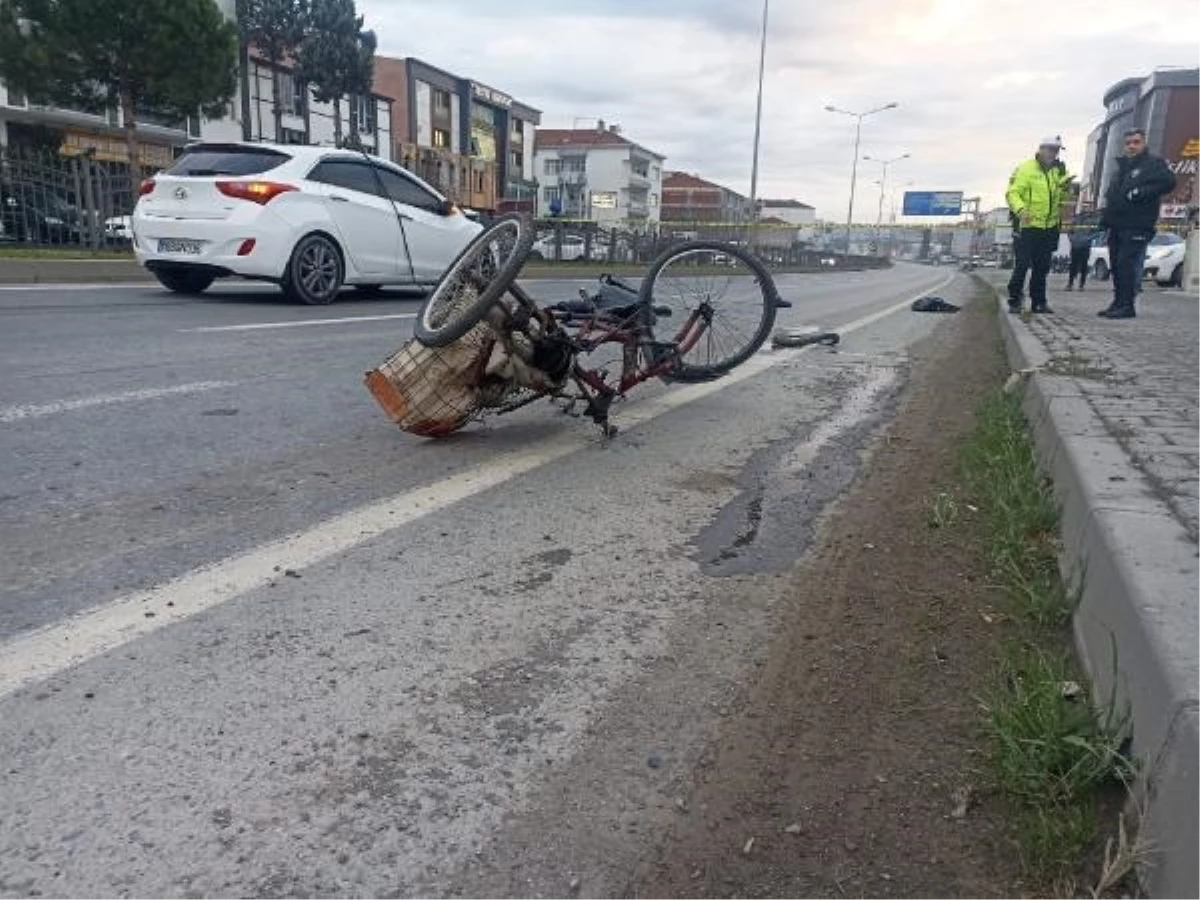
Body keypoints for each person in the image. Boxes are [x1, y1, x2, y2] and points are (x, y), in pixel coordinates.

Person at [1099, 128, 1176, 319]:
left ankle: (1127, 306)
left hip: (1137, 223)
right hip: (1117, 225)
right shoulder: (1121, 168)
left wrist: (1142, 192)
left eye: (1136, 142)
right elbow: (1113, 197)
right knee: (1116, 265)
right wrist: (1105, 220)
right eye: (1128, 143)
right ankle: (1118, 302)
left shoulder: (1153, 164)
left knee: (1126, 263)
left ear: (1144, 143)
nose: (1132, 146)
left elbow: (1169, 182)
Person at [1006, 136, 1074, 314]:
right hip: (1026, 226)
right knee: (1022, 264)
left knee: (1042, 266)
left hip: (1049, 226)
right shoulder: (1025, 169)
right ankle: (1015, 299)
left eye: (1057, 150)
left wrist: (1066, 189)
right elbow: (1012, 193)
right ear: (1041, 149)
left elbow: (1060, 199)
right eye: (1051, 149)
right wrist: (1021, 211)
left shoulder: (1057, 171)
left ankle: (1039, 302)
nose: (1054, 153)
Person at [1066, 219, 1095, 290]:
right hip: (1075, 246)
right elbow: (1069, 232)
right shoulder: (1075, 220)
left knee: (1084, 266)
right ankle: (1070, 284)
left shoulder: (1092, 220)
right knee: (1073, 266)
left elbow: (1097, 232)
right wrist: (1073, 239)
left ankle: (1081, 285)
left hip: (1085, 247)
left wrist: (1088, 239)